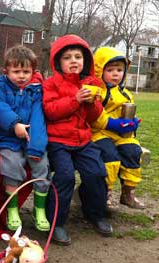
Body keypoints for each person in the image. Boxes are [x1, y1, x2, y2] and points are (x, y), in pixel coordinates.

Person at [42, 35, 136, 245]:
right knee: (65, 176)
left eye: (78, 56)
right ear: (58, 62)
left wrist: (93, 102)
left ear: (86, 60)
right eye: (67, 57)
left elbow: (94, 117)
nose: (74, 61)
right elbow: (50, 112)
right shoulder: (51, 84)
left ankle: (95, 213)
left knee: (97, 172)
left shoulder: (92, 83)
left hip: (83, 140)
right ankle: (56, 222)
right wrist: (75, 100)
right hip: (58, 142)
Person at [0, 45, 50, 232]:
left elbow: (38, 117)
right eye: (16, 71)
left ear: (33, 71)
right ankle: (12, 208)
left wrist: (36, 146)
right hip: (7, 139)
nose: (21, 76)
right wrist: (14, 124)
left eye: (26, 71)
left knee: (41, 165)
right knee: (12, 164)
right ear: (6, 71)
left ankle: (39, 210)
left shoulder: (36, 91)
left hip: (31, 139)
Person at [91, 47, 143, 209]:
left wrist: (133, 122)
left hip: (121, 134)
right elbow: (93, 116)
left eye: (119, 70)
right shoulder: (97, 91)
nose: (116, 74)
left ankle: (128, 192)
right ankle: (105, 192)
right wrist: (113, 124)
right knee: (110, 156)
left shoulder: (126, 93)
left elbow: (129, 112)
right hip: (99, 133)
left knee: (133, 151)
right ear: (99, 70)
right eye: (110, 70)